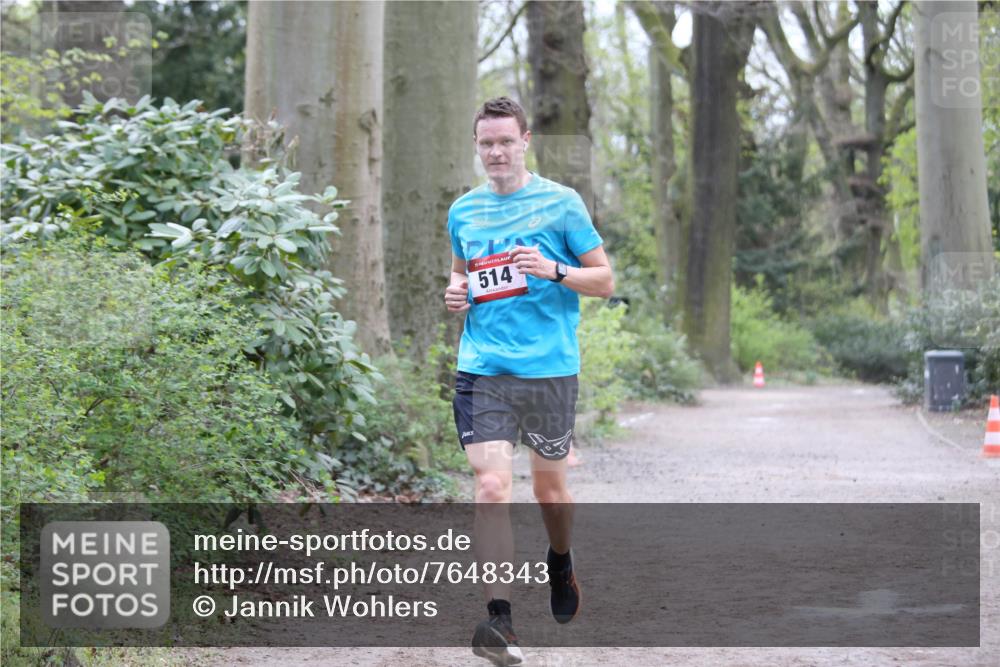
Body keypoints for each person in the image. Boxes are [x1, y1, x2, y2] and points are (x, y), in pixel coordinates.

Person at [444, 96, 614, 666]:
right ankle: (500, 623)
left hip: (548, 371)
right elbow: (461, 272)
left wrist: (556, 270)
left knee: (550, 493)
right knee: (492, 487)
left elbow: (605, 280)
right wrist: (455, 291)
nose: (495, 151)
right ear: (477, 146)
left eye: (505, 141)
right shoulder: (463, 211)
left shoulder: (561, 204)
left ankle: (560, 560)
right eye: (485, 142)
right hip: (483, 370)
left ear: (525, 142)